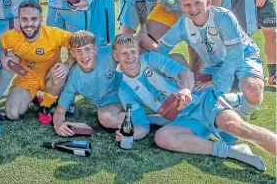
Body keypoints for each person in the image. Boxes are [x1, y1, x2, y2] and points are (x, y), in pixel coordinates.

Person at [112, 34, 276, 171]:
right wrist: (131, 134)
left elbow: (184, 72)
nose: (130, 57)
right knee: (162, 138)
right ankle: (234, 151)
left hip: (203, 101)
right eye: (124, 53)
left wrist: (186, 90)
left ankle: (232, 101)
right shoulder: (124, 89)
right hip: (184, 120)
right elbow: (141, 125)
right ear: (116, 56)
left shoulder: (150, 58)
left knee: (234, 127)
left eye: (133, 51)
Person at [158, 0, 265, 119]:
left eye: (198, 3)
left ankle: (244, 113)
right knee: (200, 100)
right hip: (214, 64)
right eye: (187, 5)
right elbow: (160, 50)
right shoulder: (182, 25)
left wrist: (218, 82)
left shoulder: (223, 17)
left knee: (252, 91)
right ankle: (235, 98)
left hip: (244, 56)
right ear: (181, 7)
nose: (193, 9)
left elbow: (235, 54)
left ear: (208, 2)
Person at [0, 1, 75, 124]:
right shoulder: (12, 36)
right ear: (18, 20)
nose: (29, 24)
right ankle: (36, 97)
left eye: (34, 19)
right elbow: (1, 46)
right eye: (24, 19)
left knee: (59, 71)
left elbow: (75, 42)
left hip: (50, 77)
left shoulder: (54, 34)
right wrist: (3, 57)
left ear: (41, 20)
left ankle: (46, 105)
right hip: (26, 79)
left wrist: (67, 64)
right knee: (13, 114)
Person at [53, 31, 125, 135]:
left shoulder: (107, 54)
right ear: (72, 53)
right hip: (109, 103)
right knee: (106, 118)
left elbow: (130, 48)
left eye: (87, 49)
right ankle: (146, 118)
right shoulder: (74, 78)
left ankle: (143, 116)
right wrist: (58, 124)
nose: (84, 56)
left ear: (95, 49)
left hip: (126, 89)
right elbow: (60, 111)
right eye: (78, 51)